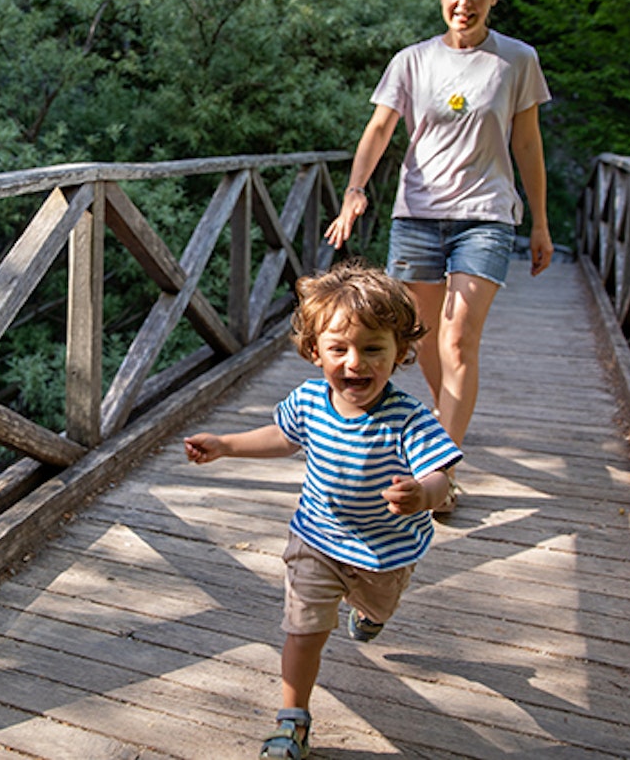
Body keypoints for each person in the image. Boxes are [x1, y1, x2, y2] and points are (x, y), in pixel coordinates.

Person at [184, 260, 462, 760]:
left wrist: (424, 495)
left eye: (374, 349)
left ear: (401, 352)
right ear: (315, 352)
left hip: (386, 552)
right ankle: (293, 720)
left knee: (377, 608)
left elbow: (442, 475)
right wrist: (226, 444)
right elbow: (282, 438)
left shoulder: (408, 418)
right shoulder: (310, 400)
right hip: (316, 539)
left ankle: (369, 613)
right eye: (339, 349)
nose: (355, 363)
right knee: (303, 630)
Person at [325, 0, 552, 513]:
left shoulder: (517, 60)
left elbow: (527, 143)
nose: (465, 0)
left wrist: (541, 222)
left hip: (486, 216)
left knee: (457, 339)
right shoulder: (412, 60)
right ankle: (446, 410)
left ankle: (440, 476)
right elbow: (380, 129)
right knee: (419, 339)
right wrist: (355, 191)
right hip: (418, 215)